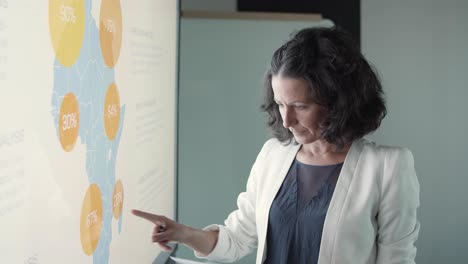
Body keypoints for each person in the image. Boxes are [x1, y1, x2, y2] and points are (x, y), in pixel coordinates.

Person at [132, 27, 420, 264]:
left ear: (338, 101)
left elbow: (398, 259)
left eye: (300, 106)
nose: (287, 120)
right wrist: (184, 233)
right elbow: (238, 238)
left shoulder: (388, 168)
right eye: (280, 104)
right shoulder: (273, 155)